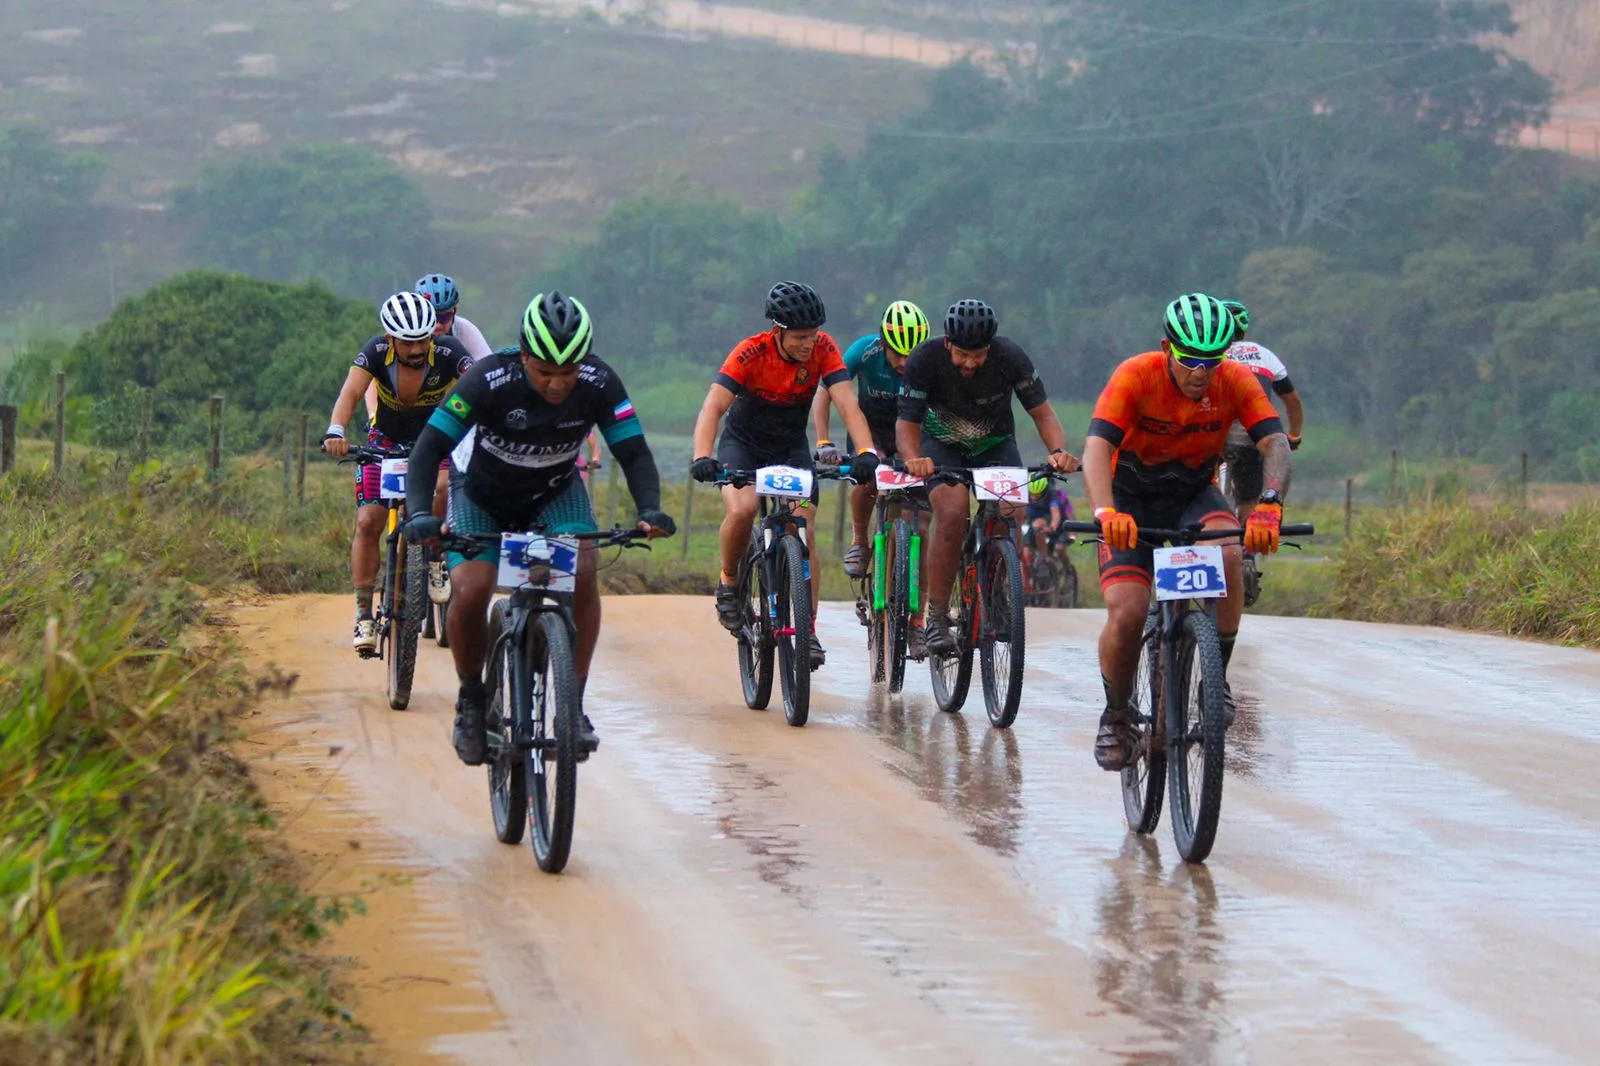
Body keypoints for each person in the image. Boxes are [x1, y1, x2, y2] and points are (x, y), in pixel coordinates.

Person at [401, 291, 676, 766]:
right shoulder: (486, 379)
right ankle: (471, 700)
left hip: (554, 492)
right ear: (524, 355)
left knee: (584, 569)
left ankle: (574, 704)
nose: (556, 384)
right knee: (470, 588)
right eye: (544, 371)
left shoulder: (600, 382)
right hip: (481, 495)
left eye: (567, 373)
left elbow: (632, 451)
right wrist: (420, 512)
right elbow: (427, 449)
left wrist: (649, 508)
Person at [1081, 293, 1293, 771]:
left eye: (1212, 361)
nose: (1202, 372)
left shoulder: (1235, 380)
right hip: (1129, 498)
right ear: (1166, 348)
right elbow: (1096, 447)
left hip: (1193, 494)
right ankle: (1116, 715)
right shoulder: (1136, 374)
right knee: (1129, 609)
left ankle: (1214, 678)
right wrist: (1104, 511)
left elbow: (1275, 442)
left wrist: (1269, 505)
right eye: (1191, 360)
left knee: (1230, 554)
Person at [690, 281, 880, 669]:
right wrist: (702, 456)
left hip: (789, 447)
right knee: (742, 511)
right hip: (742, 444)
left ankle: (807, 630)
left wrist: (866, 452)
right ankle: (729, 581)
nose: (808, 344)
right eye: (799, 338)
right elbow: (713, 408)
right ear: (776, 330)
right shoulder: (750, 352)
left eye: (812, 335)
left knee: (805, 527)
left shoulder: (824, 348)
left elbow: (847, 403)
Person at [896, 299, 1080, 657]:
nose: (970, 363)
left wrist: (1058, 451)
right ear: (948, 343)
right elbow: (907, 423)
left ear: (991, 347)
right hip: (941, 447)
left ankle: (997, 594)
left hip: (995, 445)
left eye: (978, 355)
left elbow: (1042, 413)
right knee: (951, 515)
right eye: (963, 354)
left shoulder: (1010, 356)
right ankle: (935, 617)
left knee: (1014, 510)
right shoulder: (924, 359)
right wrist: (914, 459)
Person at [322, 291, 474, 654]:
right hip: (385, 441)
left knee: (440, 490)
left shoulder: (450, 352)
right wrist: (336, 432)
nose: (418, 348)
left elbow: (478, 382)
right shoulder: (375, 352)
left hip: (434, 438)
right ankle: (363, 614)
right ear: (390, 340)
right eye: (408, 343)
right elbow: (350, 393)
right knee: (368, 522)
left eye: (424, 338)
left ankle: (435, 557)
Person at [362, 273, 495, 605]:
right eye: (429, 317)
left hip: (450, 415)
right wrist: (373, 422)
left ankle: (439, 553)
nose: (435, 326)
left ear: (455, 313)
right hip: (399, 424)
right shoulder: (400, 340)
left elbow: (486, 378)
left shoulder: (464, 336)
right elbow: (369, 382)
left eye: (444, 318)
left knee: (457, 477)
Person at [812, 299, 933, 654]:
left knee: (922, 529)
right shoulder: (863, 352)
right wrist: (823, 441)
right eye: (898, 355)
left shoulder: (926, 362)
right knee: (867, 477)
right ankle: (860, 540)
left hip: (913, 433)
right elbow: (826, 396)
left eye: (913, 355)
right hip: (871, 430)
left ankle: (918, 622)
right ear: (882, 342)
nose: (905, 364)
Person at [1217, 298, 1305, 606]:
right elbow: (1291, 400)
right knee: (1250, 499)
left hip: (1217, 434)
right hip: (1258, 435)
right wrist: (1292, 434)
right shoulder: (1264, 355)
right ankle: (1248, 554)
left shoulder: (1210, 353)